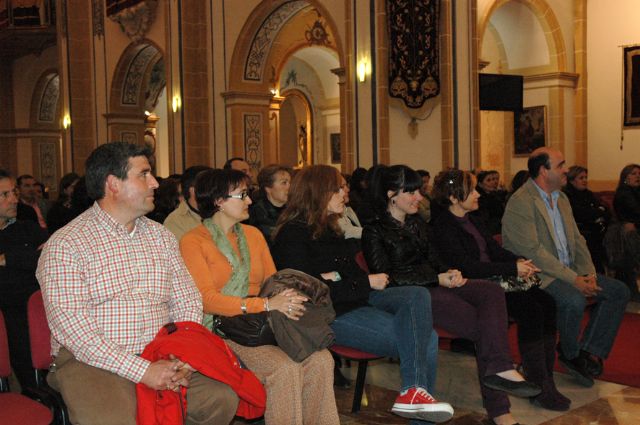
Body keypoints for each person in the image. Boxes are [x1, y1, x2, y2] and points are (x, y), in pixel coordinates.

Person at [36, 142, 239, 425]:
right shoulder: (67, 244)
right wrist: (142, 370)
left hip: (162, 352)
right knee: (117, 419)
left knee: (221, 399)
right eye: (144, 174)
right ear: (113, 184)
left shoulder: (160, 237)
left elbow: (187, 301)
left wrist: (181, 355)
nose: (155, 182)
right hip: (92, 361)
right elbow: (76, 332)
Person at [272, 165, 454, 424]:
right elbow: (310, 292)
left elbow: (346, 276)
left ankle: (413, 393)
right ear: (318, 192)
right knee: (428, 340)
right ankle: (415, 402)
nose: (345, 194)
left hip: (356, 298)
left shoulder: (330, 228)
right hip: (329, 313)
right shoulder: (293, 235)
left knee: (416, 295)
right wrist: (348, 280)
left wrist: (337, 278)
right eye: (338, 188)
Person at [362, 165, 540, 425]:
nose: (419, 197)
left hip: (435, 285)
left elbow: (434, 261)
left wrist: (450, 273)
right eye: (411, 192)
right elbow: (385, 278)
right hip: (411, 295)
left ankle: (500, 370)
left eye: (419, 191)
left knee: (490, 291)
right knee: (485, 330)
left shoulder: (418, 224)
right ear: (392, 194)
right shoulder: (374, 231)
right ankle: (501, 410)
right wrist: (437, 278)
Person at [180, 168, 339, 425]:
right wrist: (264, 303)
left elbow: (273, 282)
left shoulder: (253, 235)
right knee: (284, 368)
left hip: (264, 325)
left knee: (322, 359)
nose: (250, 201)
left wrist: (288, 300)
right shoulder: (193, 241)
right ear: (219, 201)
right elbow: (206, 300)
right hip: (222, 331)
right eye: (242, 195)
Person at [431, 169, 570, 411]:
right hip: (476, 287)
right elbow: (467, 267)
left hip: (496, 279)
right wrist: (512, 268)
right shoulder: (442, 226)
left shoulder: (473, 219)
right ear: (454, 197)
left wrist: (520, 262)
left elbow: (494, 250)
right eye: (472, 190)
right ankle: (539, 385)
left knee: (547, 302)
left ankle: (545, 377)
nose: (478, 194)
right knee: (531, 310)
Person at [502, 147, 630, 388]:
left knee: (618, 291)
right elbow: (533, 252)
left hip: (568, 270)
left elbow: (577, 240)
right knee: (573, 300)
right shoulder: (521, 202)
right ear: (543, 170)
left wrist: (589, 274)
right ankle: (570, 354)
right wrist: (574, 280)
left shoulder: (562, 198)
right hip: (539, 275)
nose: (566, 170)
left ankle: (589, 349)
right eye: (561, 165)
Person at [0, 169, 48, 389]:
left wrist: (7, 258)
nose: (14, 199)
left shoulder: (26, 227)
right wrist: (27, 259)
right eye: (5, 194)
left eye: (13, 192)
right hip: (10, 314)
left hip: (37, 310)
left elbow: (49, 257)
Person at [563, 166, 610, 273]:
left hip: (595, 228)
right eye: (581, 178)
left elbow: (606, 211)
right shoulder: (567, 195)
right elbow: (580, 213)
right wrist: (597, 212)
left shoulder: (588, 194)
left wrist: (597, 212)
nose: (585, 180)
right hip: (580, 230)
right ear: (572, 180)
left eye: (586, 177)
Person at [612, 163, 640, 299]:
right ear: (625, 177)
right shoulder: (624, 193)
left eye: (639, 174)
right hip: (624, 232)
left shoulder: (636, 191)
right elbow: (635, 212)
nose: (638, 176)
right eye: (634, 174)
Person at [164, 165, 211, 241]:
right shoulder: (175, 221)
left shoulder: (220, 212)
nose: (216, 192)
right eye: (211, 187)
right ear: (193, 190)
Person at [247, 164, 291, 244]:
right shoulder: (256, 212)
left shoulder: (294, 210)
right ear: (268, 188)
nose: (289, 187)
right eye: (284, 183)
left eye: (290, 182)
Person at [472, 170, 507, 235]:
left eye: (493, 179)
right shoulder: (479, 199)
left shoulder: (494, 195)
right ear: (480, 184)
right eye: (488, 180)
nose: (493, 182)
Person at [337, 173, 363, 240]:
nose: (348, 190)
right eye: (341, 187)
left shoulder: (347, 208)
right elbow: (347, 232)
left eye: (346, 185)